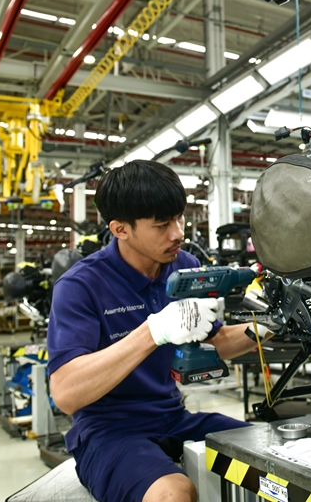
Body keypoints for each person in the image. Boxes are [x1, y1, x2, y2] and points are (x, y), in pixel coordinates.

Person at [48, 160, 272, 502]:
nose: (178, 233)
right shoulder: (80, 285)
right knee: (173, 494)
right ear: (120, 229)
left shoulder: (185, 267)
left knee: (274, 461)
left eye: (180, 218)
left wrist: (272, 322)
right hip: (107, 430)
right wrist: (153, 331)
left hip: (173, 416)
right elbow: (65, 393)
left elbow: (215, 342)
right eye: (162, 225)